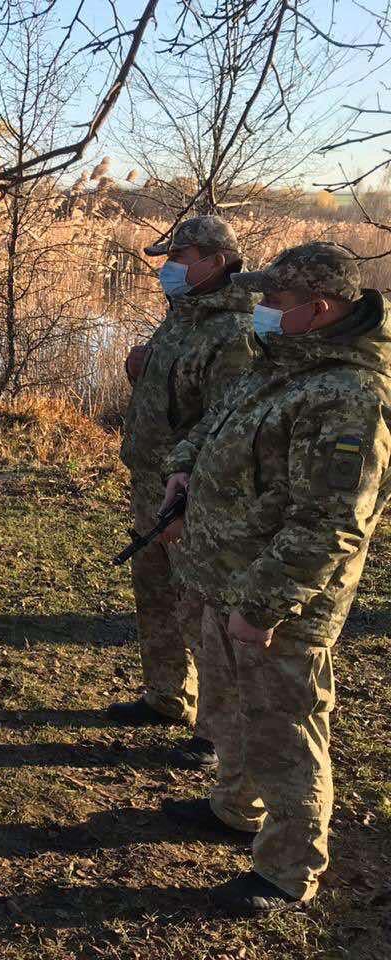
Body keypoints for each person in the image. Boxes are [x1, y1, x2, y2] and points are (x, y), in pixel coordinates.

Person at [157, 242, 391, 914]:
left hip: (279, 603)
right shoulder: (283, 361)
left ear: (319, 308)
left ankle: (289, 870)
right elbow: (217, 426)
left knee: (284, 731)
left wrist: (261, 606)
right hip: (225, 576)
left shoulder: (351, 397)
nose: (260, 308)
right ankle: (235, 806)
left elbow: (330, 525)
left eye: (275, 300)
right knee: (231, 710)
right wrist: (184, 468)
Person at [110, 216, 257, 770]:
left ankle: (215, 732)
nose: (169, 268)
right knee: (155, 593)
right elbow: (175, 392)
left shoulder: (234, 334)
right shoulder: (183, 316)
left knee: (199, 608)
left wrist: (191, 490)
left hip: (191, 492)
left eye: (180, 257)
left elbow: (227, 423)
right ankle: (166, 695)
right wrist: (140, 370)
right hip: (149, 480)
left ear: (216, 262)